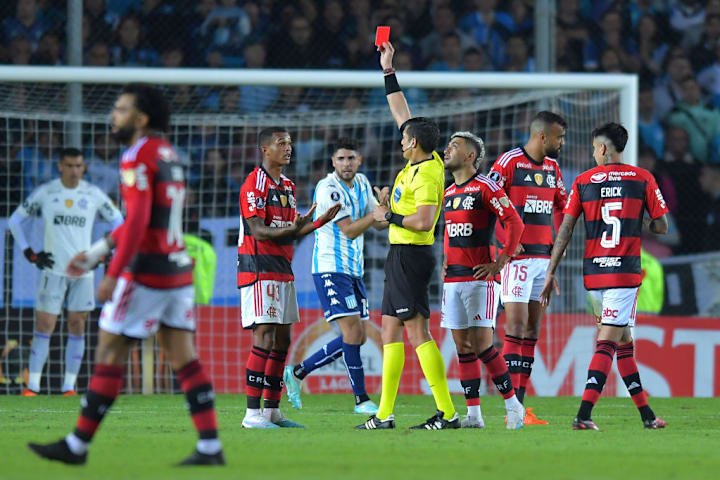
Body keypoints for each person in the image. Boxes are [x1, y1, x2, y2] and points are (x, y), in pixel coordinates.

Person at [28, 84, 225, 465]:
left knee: (109, 352)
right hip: (178, 269)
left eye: (120, 109)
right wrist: (98, 251)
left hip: (147, 273)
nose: (112, 116)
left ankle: (77, 445)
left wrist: (112, 273)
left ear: (141, 118)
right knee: (185, 359)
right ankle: (210, 446)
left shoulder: (136, 156)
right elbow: (151, 217)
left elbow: (136, 221)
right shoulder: (170, 154)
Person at [540, 122, 668, 431]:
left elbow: (566, 230)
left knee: (623, 341)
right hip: (623, 272)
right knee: (609, 340)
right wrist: (644, 223)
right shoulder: (642, 179)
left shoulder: (583, 181)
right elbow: (662, 226)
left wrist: (550, 270)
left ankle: (647, 416)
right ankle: (583, 414)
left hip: (594, 274)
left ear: (601, 147)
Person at [356, 41, 456, 430]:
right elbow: (400, 109)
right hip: (401, 255)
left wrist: (389, 214)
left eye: (404, 137)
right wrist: (387, 69)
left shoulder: (429, 173)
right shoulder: (420, 159)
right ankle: (384, 414)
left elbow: (424, 220)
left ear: (413, 143)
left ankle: (447, 412)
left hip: (412, 256)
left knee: (416, 331)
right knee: (390, 329)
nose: (400, 139)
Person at [238, 127, 341, 429]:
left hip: (283, 269)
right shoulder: (254, 183)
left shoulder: (288, 186)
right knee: (264, 335)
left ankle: (272, 411)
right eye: (281, 143)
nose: (288, 148)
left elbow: (292, 233)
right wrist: (296, 226)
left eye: (290, 144)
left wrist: (319, 221)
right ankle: (251, 413)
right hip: (258, 267)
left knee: (282, 340)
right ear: (265, 149)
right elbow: (258, 230)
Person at [8, 147, 123, 396]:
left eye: (78, 166)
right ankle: (32, 387)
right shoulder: (47, 192)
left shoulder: (93, 194)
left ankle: (69, 387)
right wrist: (30, 253)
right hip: (53, 271)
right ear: (60, 166)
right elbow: (14, 221)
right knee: (45, 325)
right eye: (69, 166)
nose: (74, 171)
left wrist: (107, 250)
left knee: (77, 325)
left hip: (84, 273)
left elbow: (119, 222)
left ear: (84, 167)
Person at [284, 138, 385, 415]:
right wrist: (377, 215)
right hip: (330, 268)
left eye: (351, 158)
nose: (346, 164)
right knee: (352, 332)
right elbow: (350, 230)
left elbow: (377, 224)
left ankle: (298, 372)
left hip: (354, 269)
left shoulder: (364, 183)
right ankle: (361, 400)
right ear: (333, 162)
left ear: (360, 160)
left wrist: (386, 210)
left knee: (359, 336)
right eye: (341, 159)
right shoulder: (328, 188)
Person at [440, 131, 526, 429]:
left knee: (483, 346)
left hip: (480, 279)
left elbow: (515, 221)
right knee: (462, 347)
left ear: (470, 155)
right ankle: (474, 415)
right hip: (453, 278)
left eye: (455, 146)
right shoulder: (449, 192)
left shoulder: (485, 186)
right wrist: (444, 262)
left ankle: (514, 406)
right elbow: (450, 234)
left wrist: (502, 260)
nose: (447, 149)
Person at [487, 111, 568, 424]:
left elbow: (562, 208)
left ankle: (520, 408)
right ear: (542, 136)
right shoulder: (508, 163)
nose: (561, 143)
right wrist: (507, 241)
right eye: (558, 137)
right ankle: (511, 409)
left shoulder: (553, 168)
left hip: (543, 260)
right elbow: (488, 203)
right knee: (516, 328)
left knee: (532, 331)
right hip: (516, 260)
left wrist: (557, 250)